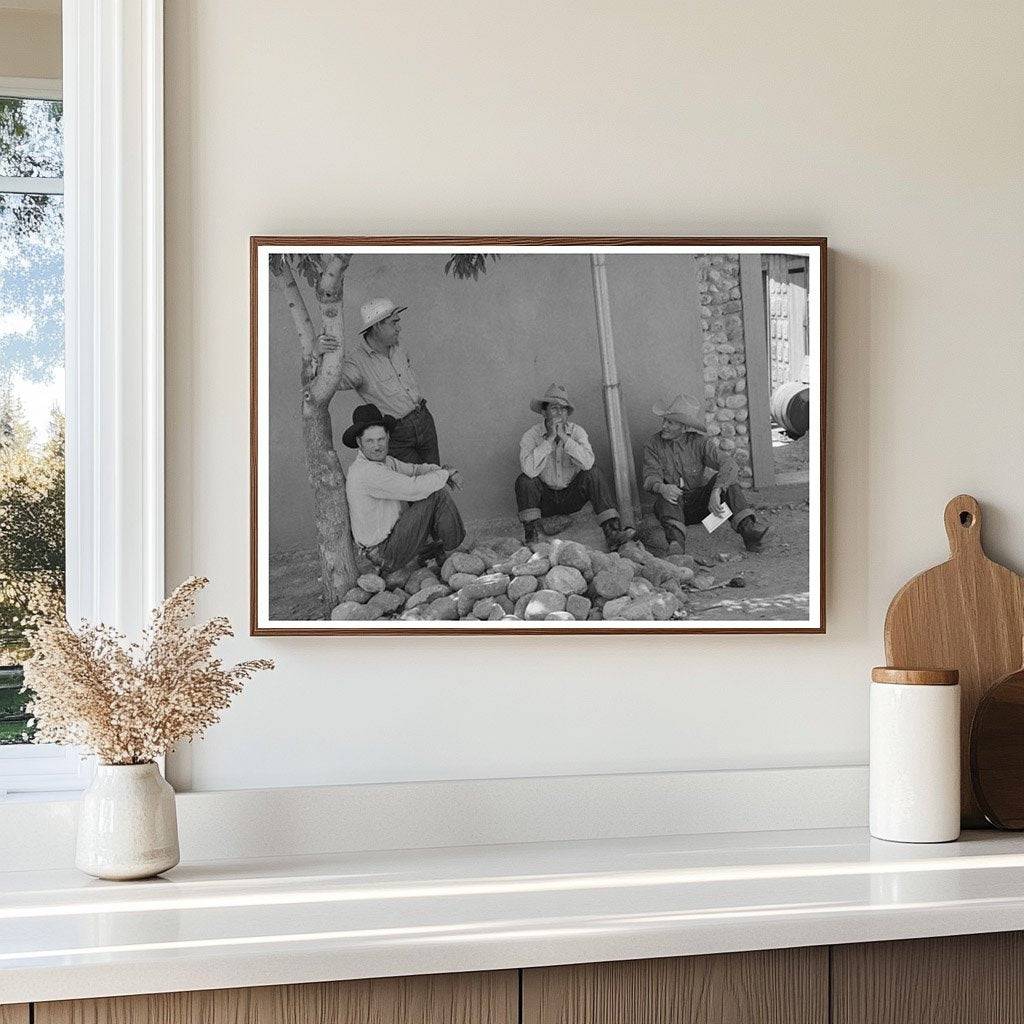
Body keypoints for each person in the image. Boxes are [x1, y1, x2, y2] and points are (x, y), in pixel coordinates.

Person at [343, 404, 465, 574]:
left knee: (431, 488)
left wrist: (440, 471)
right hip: (385, 552)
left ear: (388, 437)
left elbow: (415, 470)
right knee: (435, 494)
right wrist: (445, 475)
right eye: (369, 441)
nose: (377, 446)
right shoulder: (366, 472)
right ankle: (455, 551)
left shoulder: (386, 461)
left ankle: (435, 551)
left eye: (380, 439)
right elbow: (413, 489)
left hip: (394, 539)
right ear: (359, 442)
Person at [316, 297, 440, 464]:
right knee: (415, 485)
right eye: (393, 323)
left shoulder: (398, 347)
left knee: (435, 476)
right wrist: (317, 355)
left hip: (424, 419)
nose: (399, 328)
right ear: (377, 326)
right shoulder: (356, 362)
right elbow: (327, 383)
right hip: (398, 433)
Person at [641, 394, 769, 553]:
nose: (664, 426)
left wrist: (716, 491)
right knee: (666, 498)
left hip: (701, 508)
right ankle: (677, 546)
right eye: (665, 421)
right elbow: (649, 477)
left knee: (728, 483)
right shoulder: (653, 444)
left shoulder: (699, 442)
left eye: (670, 422)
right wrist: (662, 488)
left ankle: (749, 534)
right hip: (674, 507)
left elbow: (729, 464)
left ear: (685, 428)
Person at [515, 383, 634, 551]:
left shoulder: (577, 432)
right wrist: (549, 439)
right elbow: (528, 470)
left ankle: (612, 532)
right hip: (545, 499)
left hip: (571, 496)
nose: (559, 413)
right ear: (544, 412)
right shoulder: (531, 435)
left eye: (563, 409)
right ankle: (532, 538)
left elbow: (587, 463)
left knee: (594, 473)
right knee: (524, 481)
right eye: (554, 408)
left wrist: (565, 438)